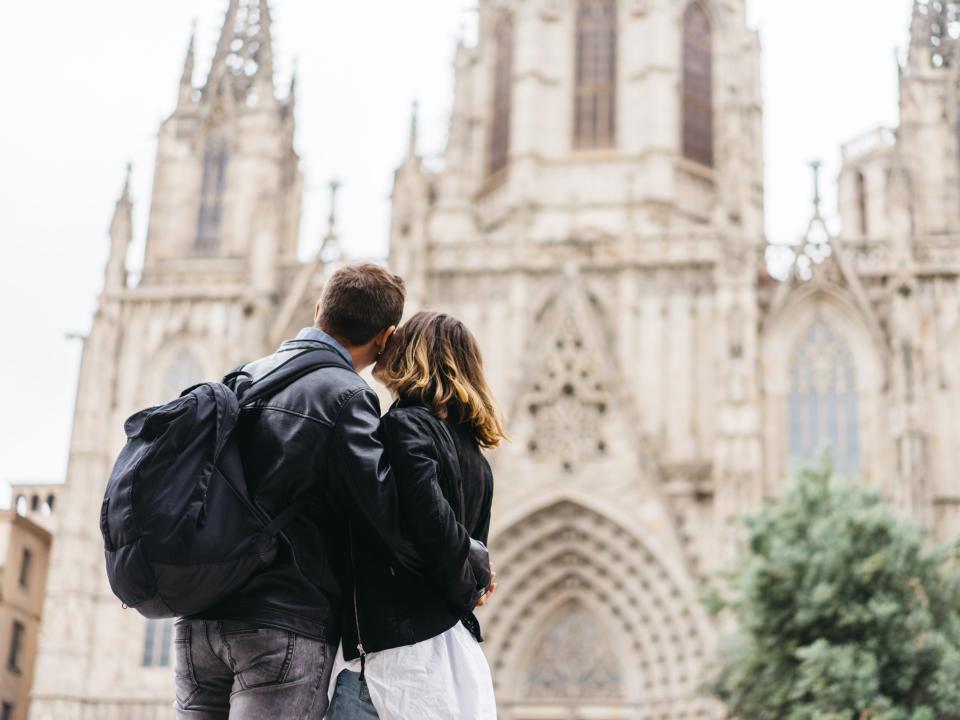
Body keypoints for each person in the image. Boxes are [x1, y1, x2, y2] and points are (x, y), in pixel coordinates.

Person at [173, 265, 491, 719]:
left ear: (318, 309)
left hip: (198, 617)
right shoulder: (347, 398)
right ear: (385, 338)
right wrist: (472, 564)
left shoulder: (242, 377)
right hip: (281, 621)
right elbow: (392, 523)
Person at [325, 311, 507, 720]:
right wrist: (471, 577)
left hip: (396, 662)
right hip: (450, 656)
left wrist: (467, 579)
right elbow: (470, 547)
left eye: (398, 340)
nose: (384, 346)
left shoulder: (406, 426)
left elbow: (434, 527)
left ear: (415, 353)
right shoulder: (477, 458)